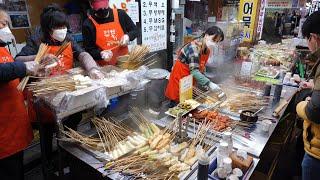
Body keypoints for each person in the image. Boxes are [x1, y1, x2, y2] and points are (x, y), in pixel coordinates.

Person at [15, 4, 104, 175]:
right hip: (45, 99)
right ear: (48, 28)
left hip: (66, 96)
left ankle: (69, 160)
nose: (62, 30)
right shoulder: (36, 40)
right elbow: (18, 60)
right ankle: (48, 167)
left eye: (64, 26)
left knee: (70, 131)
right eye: (58, 27)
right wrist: (38, 59)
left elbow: (83, 54)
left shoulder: (68, 39)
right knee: (47, 135)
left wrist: (93, 69)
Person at [0, 9, 42, 180]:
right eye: (3, 24)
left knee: (16, 170)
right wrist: (25, 67)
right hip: (2, 133)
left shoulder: (2, 48)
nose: (7, 29)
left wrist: (34, 68)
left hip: (12, 126)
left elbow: (11, 72)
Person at [165, 26, 224, 103]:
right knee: (177, 105)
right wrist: (209, 83)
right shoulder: (194, 48)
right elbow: (195, 71)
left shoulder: (206, 49)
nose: (214, 44)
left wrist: (203, 78)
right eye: (214, 40)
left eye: (217, 42)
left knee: (186, 103)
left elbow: (201, 67)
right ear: (206, 35)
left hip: (189, 81)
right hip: (180, 80)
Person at [296, 11, 320, 180]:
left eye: (307, 39)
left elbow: (315, 112)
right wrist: (314, 87)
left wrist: (302, 104)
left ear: (314, 37)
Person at [82, 0, 139, 66]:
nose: (102, 9)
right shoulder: (88, 24)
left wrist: (128, 36)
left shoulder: (120, 14)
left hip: (124, 63)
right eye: (99, 7)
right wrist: (100, 54)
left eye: (104, 5)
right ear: (91, 5)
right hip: (103, 67)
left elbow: (135, 30)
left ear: (108, 2)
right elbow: (89, 49)